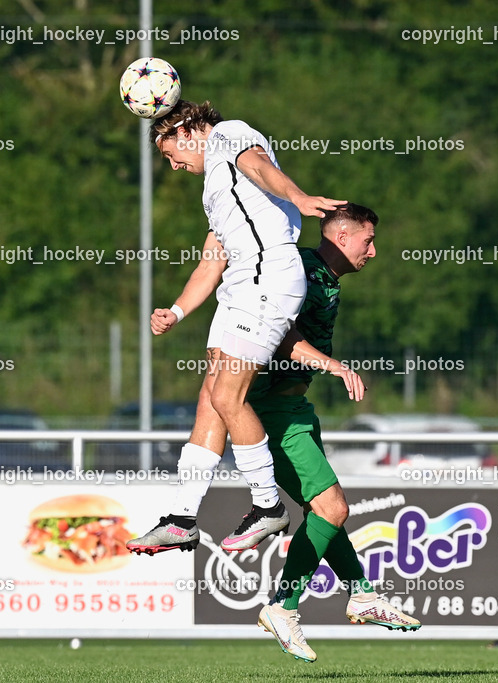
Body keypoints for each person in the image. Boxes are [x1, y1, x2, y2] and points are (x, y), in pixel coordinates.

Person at [127, 100, 346, 552]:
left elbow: (261, 165)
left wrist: (299, 198)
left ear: (188, 129)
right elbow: (211, 262)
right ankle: (183, 518)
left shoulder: (229, 134)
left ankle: (268, 506)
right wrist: (177, 311)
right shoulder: (216, 186)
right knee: (211, 397)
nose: (173, 165)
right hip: (239, 284)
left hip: (268, 278)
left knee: (229, 395)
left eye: (172, 152)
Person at [251, 204, 419, 662]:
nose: (374, 251)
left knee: (326, 511)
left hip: (294, 407)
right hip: (270, 412)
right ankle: (283, 606)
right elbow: (276, 334)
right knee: (332, 506)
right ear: (342, 237)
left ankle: (362, 594)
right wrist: (335, 366)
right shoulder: (301, 271)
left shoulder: (325, 276)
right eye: (368, 240)